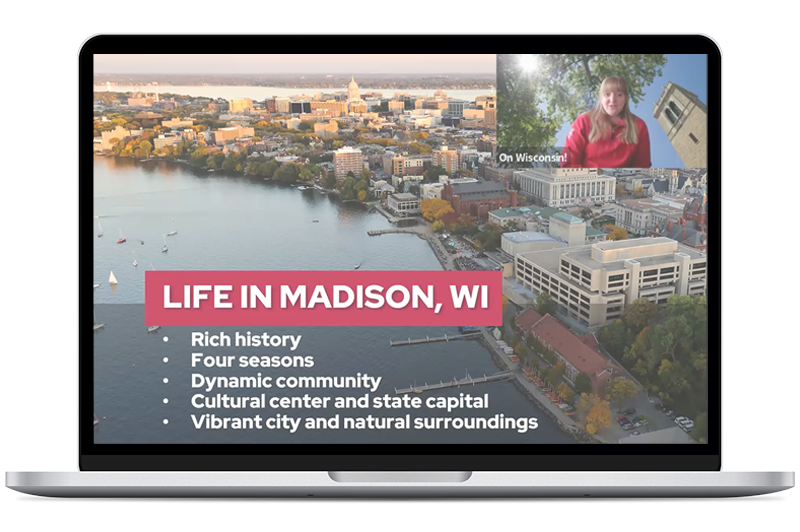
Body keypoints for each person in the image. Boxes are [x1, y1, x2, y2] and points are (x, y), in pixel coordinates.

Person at [561, 76, 651, 168]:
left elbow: (641, 168)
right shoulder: (584, 120)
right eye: (607, 94)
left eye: (619, 94)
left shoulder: (639, 126)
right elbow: (569, 163)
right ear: (600, 99)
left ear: (626, 99)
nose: (612, 100)